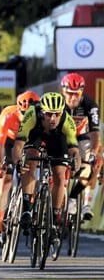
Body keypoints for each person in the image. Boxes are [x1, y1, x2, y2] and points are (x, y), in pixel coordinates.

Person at [13, 92, 81, 234]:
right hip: (36, 134)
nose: (53, 118)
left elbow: (74, 149)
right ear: (42, 111)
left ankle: (55, 216)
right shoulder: (31, 114)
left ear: (61, 112)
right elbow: (18, 144)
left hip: (57, 139)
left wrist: (75, 162)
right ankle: (27, 210)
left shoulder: (67, 121)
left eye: (56, 114)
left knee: (60, 175)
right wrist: (19, 161)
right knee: (29, 162)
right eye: (49, 114)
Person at [0, 90, 39, 247]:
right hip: (11, 143)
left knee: (30, 173)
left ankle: (29, 210)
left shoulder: (40, 116)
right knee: (5, 180)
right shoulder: (8, 115)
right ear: (18, 109)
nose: (26, 117)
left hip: (30, 143)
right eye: (23, 113)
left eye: (29, 113)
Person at [60, 73, 101, 221]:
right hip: (62, 137)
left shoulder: (90, 105)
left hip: (82, 138)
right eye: (69, 94)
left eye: (76, 94)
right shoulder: (58, 103)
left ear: (81, 92)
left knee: (88, 168)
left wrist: (93, 154)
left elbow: (95, 133)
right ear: (63, 92)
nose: (72, 98)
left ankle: (73, 197)